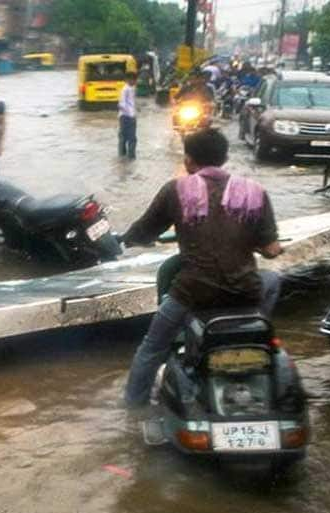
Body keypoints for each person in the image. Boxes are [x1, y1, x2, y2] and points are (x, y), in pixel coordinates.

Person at [121, 129, 283, 407]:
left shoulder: (176, 189)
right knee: (272, 280)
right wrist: (265, 247)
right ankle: (252, 326)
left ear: (188, 159)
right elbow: (270, 249)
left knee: (151, 348)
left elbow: (143, 233)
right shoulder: (256, 191)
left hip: (192, 292)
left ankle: (132, 410)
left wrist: (129, 238)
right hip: (245, 291)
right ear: (224, 158)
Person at [118, 71, 137, 160]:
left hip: (129, 116)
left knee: (128, 138)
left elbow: (131, 103)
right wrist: (131, 114)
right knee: (127, 138)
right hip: (126, 117)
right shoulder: (125, 89)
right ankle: (128, 157)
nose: (134, 82)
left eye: (135, 80)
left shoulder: (131, 88)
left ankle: (126, 157)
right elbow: (122, 104)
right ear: (128, 80)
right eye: (133, 80)